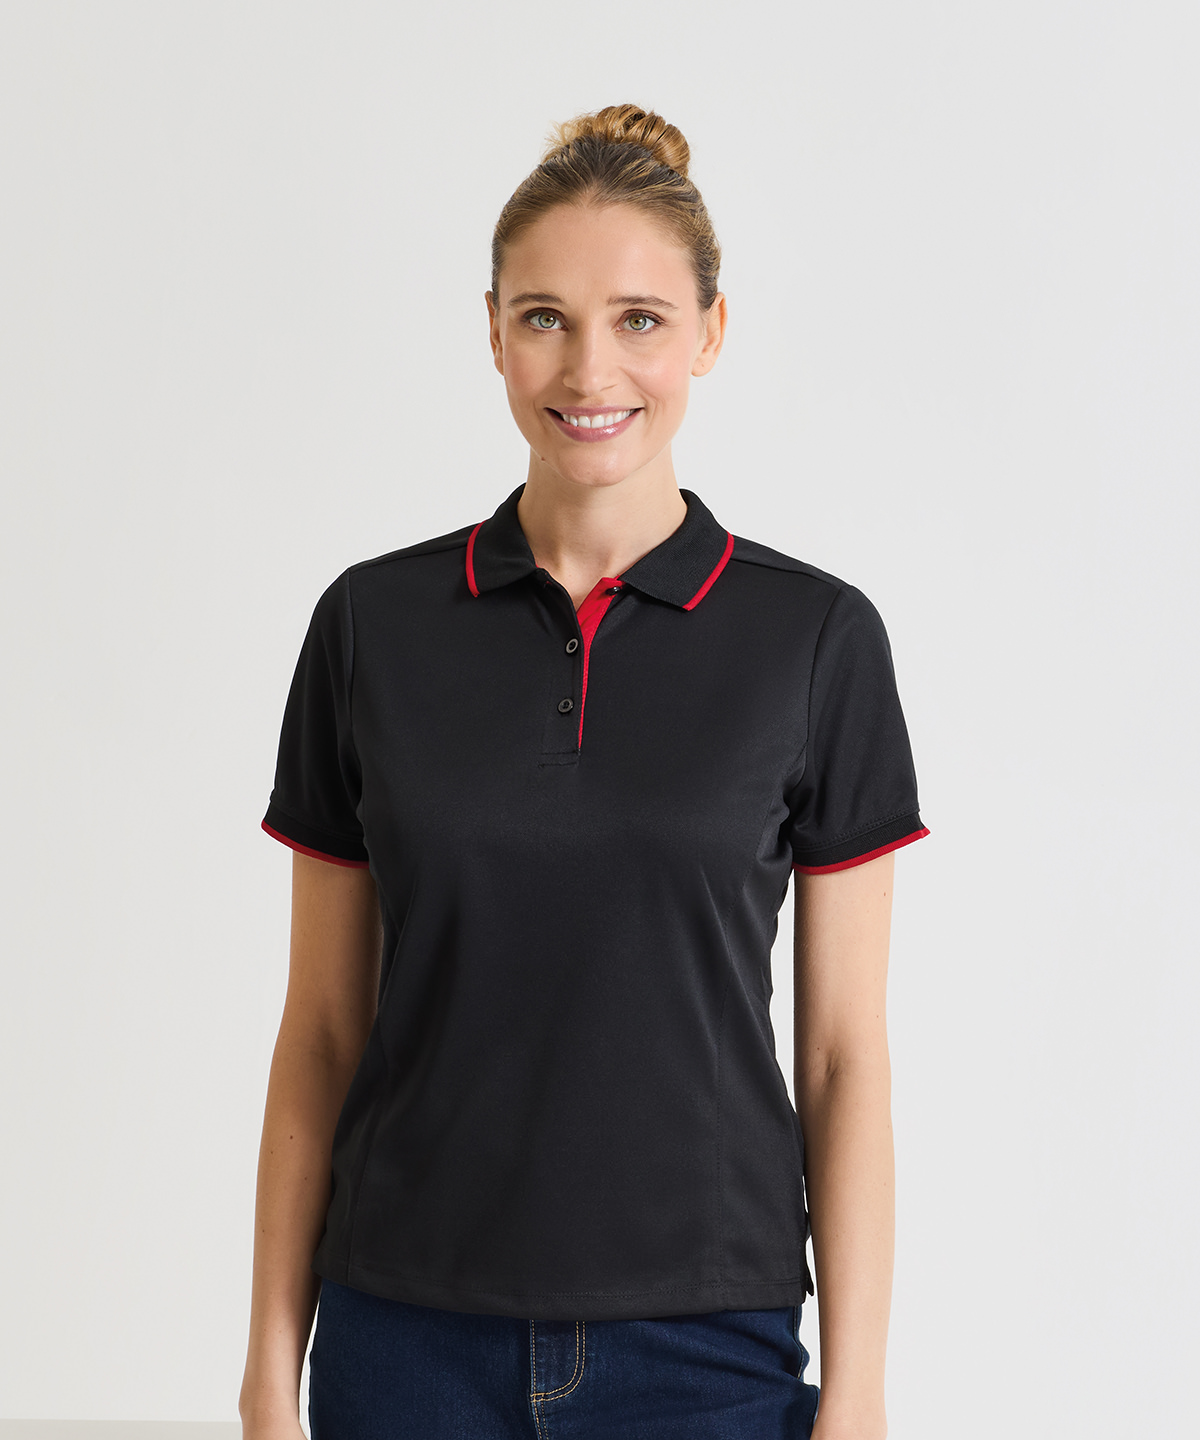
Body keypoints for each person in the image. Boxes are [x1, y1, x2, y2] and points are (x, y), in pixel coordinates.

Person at [238, 103, 928, 1440]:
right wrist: (270, 1376)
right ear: (493, 331)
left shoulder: (815, 640)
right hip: (403, 1344)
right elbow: (320, 1029)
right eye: (545, 317)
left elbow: (845, 1055)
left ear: (711, 333)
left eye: (641, 319)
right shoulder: (372, 627)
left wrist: (856, 1397)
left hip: (708, 1350)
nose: (590, 366)